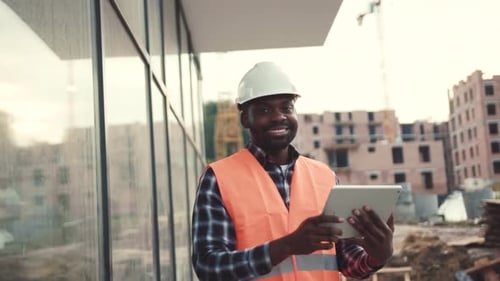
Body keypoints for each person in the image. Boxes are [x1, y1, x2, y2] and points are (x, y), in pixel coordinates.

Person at [191, 61, 394, 281]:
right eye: (265, 110)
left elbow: (344, 259)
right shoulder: (219, 178)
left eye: (286, 107)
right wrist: (287, 246)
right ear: (245, 119)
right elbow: (208, 267)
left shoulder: (324, 176)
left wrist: (377, 256)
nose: (279, 117)